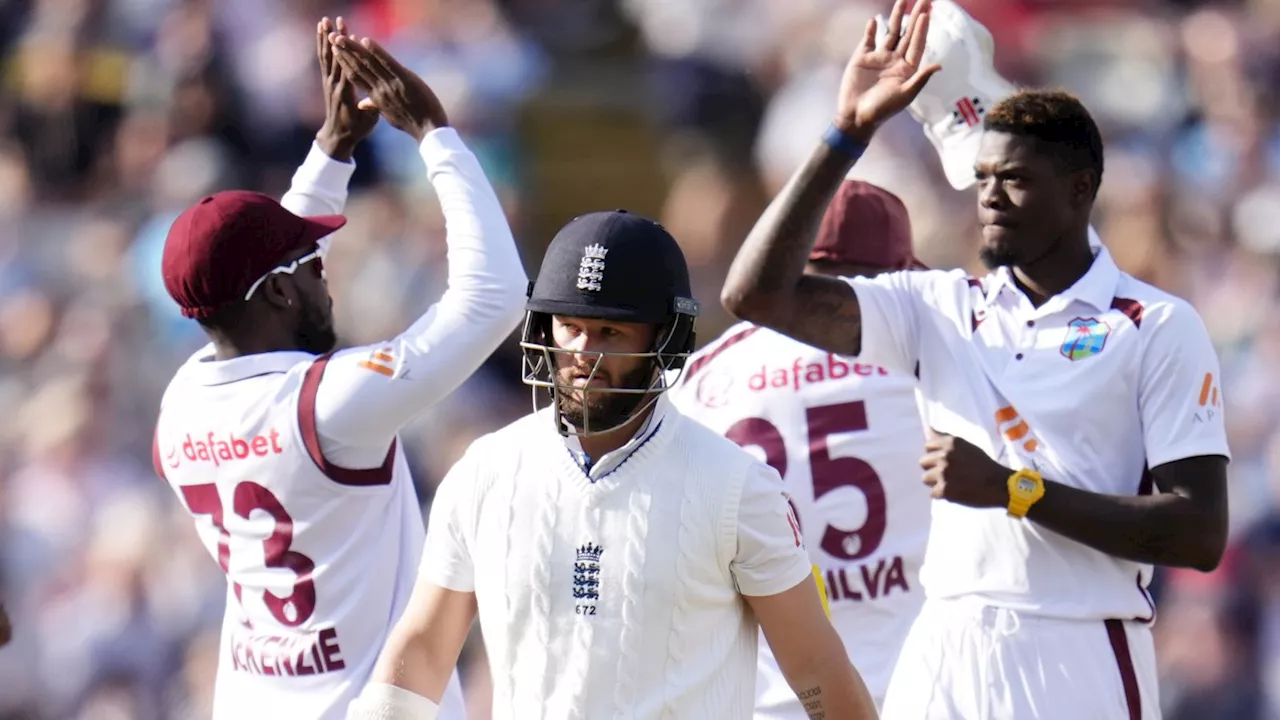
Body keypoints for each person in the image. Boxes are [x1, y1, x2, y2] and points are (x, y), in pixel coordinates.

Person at [720, 0, 1231, 718]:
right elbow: (755, 295)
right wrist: (847, 132)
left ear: (1081, 187)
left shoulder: (1155, 326)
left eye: (1014, 180)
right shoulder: (939, 306)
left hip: (1078, 647)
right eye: (983, 178)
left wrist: (1014, 490)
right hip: (946, 641)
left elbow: (1197, 533)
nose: (989, 198)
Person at [346, 210, 878, 720]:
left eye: (612, 333)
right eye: (570, 327)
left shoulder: (737, 488)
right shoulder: (485, 472)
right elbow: (422, 650)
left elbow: (817, 669)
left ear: (665, 340)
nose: (583, 353)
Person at [151, 19, 526, 720]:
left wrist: (332, 153)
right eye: (313, 267)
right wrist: (436, 137)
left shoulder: (178, 412)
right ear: (283, 292)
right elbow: (495, 297)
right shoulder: (329, 406)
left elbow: (251, 273)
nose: (329, 279)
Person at [669, 181, 930, 715]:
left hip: (774, 699)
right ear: (896, 273)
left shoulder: (700, 376)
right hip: (925, 691)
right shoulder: (930, 363)